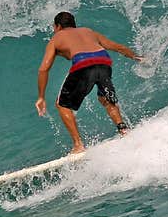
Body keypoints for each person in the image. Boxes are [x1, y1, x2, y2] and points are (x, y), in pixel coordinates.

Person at [36, 11, 143, 154]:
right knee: (105, 98)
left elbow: (44, 69)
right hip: (104, 61)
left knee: (62, 105)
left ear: (58, 26)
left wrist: (41, 96)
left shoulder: (56, 38)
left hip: (83, 64)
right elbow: (117, 47)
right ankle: (123, 130)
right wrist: (138, 58)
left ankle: (78, 145)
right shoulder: (88, 31)